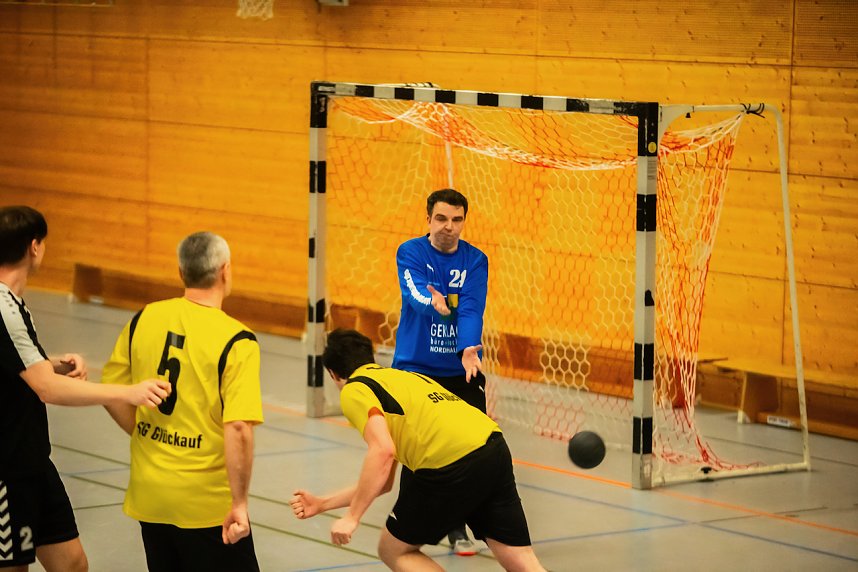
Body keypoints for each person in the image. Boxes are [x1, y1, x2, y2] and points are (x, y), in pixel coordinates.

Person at [0, 205, 171, 572]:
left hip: (32, 462)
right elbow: (46, 389)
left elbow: (19, 367)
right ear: (35, 247)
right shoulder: (3, 307)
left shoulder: (14, 303)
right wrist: (126, 392)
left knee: (72, 564)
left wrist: (55, 363)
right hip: (7, 468)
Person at [290, 329, 545, 572]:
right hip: (493, 448)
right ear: (370, 356)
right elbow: (382, 482)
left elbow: (382, 451)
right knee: (522, 560)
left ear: (334, 375)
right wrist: (323, 504)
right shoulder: (406, 377)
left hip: (450, 463)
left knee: (394, 550)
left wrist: (352, 517)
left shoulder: (354, 389)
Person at [101, 231, 264, 572]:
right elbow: (238, 427)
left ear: (181, 272)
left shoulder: (145, 317)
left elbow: (113, 392)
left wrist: (147, 435)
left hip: (150, 494)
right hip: (205, 505)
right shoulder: (237, 340)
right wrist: (239, 503)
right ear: (225, 270)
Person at [392, 188, 488, 555]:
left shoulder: (475, 261)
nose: (449, 227)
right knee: (418, 451)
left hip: (460, 368)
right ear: (429, 219)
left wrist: (467, 348)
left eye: (457, 220)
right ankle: (406, 525)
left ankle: (466, 525)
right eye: (442, 219)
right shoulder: (411, 252)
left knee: (473, 448)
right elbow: (414, 295)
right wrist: (434, 305)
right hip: (416, 368)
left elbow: (471, 309)